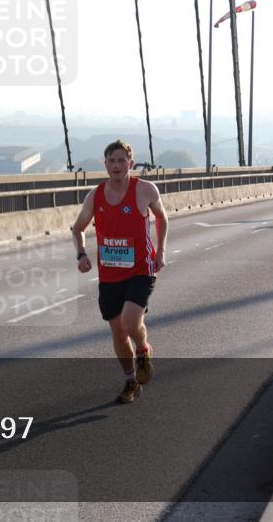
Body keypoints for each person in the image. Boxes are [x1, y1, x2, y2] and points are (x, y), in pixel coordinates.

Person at [71, 139, 168, 404]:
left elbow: (161, 217)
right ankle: (130, 381)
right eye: (111, 161)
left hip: (140, 269)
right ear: (105, 164)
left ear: (130, 163)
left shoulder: (145, 189)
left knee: (129, 323)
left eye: (121, 160)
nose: (116, 166)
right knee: (117, 331)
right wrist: (81, 254)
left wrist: (160, 252)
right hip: (110, 274)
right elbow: (77, 228)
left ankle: (143, 349)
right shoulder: (96, 195)